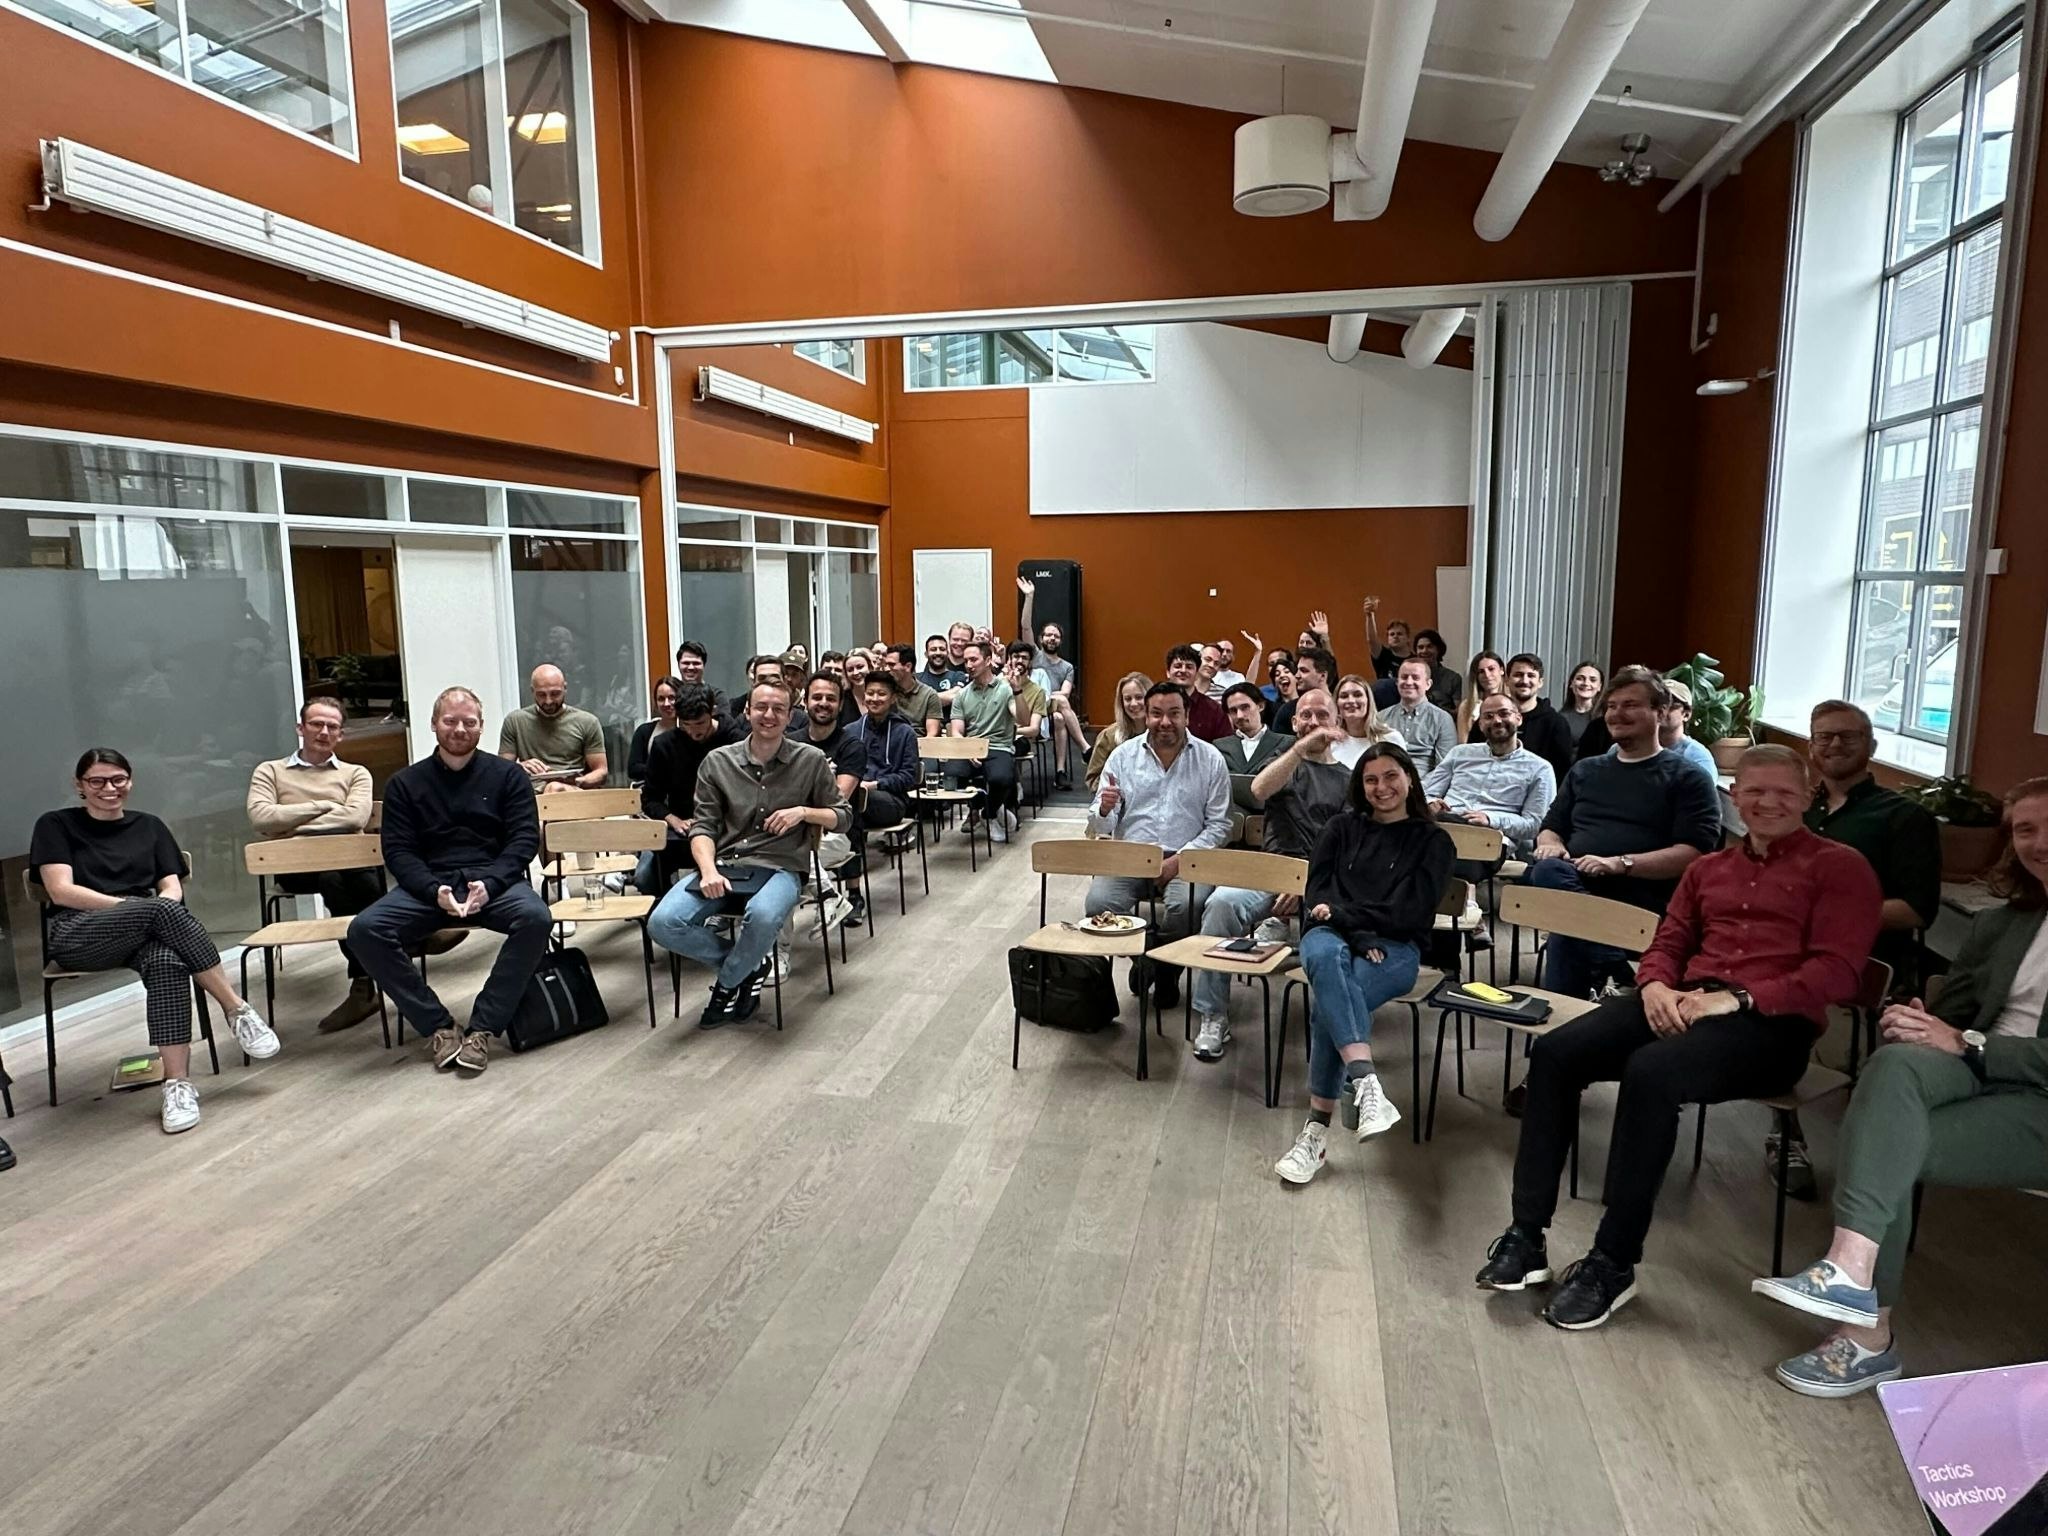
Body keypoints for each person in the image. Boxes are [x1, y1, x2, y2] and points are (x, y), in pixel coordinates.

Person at [1474, 745, 1882, 1329]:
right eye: (1755, 791)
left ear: (1809, 796)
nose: (1768, 802)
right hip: (1684, 1001)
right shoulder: (1708, 868)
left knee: (1652, 1072)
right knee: (1558, 1053)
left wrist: (1736, 998)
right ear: (1734, 798)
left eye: (1784, 792)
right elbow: (1670, 940)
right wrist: (1655, 986)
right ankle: (1527, 1234)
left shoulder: (1841, 867)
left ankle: (1613, 1262)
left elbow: (1838, 971)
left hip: (1773, 1026)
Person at [1751, 777, 2048, 1396]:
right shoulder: (2006, 923)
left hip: (2035, 1100)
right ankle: (1853, 1273)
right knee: (1891, 1068)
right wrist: (1917, 1020)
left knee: (1887, 1142)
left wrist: (1969, 1043)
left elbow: (1968, 1039)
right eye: (2025, 829)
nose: (2038, 843)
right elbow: (1957, 1014)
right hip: (1976, 1073)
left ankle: (1866, 1334)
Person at [32, 749, 281, 1134]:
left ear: (130, 781)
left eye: (118, 779)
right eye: (97, 781)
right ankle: (235, 1007)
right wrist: (132, 909)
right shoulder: (56, 824)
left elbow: (171, 887)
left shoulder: (150, 826)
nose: (108, 788)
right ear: (79, 785)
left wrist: (147, 913)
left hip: (144, 933)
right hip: (78, 932)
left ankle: (177, 1084)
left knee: (168, 961)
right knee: (157, 911)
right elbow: (60, 891)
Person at [1767, 699, 1944, 1199]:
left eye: (1848, 736)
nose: (1834, 745)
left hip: (1867, 960)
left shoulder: (1904, 816)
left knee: (1781, 999)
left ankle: (1863, 1154)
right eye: (1823, 736)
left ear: (1872, 746)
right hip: (1790, 950)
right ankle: (1784, 1132)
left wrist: (1823, 920)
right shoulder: (1800, 810)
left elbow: (1915, 909)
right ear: (1811, 747)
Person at [1273, 744, 1456, 1183]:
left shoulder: (1433, 841)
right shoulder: (1340, 828)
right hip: (1335, 937)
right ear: (1360, 785)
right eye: (1371, 779)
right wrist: (1354, 931)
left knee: (1326, 1007)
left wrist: (1346, 918)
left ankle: (1315, 1133)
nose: (1382, 787)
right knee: (1320, 951)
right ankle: (1367, 1083)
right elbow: (1317, 898)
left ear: (1410, 778)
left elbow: (1409, 914)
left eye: (1391, 776)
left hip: (1396, 949)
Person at [349, 687, 551, 1077]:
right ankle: (437, 1025)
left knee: (536, 918)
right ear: (433, 724)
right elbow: (399, 851)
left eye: (469, 722)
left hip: (494, 882)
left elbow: (523, 840)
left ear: (481, 727)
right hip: (429, 886)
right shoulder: (405, 783)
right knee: (365, 930)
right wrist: (434, 892)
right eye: (450, 721)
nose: (459, 729)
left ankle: (483, 1028)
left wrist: (490, 884)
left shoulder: (508, 777)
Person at [649, 677, 850, 1027]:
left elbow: (843, 816)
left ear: (790, 716)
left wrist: (803, 812)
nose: (768, 715)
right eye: (761, 707)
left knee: (761, 914)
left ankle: (726, 986)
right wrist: (708, 870)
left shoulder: (810, 759)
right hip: (727, 864)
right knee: (663, 922)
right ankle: (750, 966)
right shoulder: (718, 761)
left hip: (783, 866)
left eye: (778, 709)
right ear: (747, 712)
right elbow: (703, 827)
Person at [1527, 665, 1722, 1000]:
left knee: (1567, 933)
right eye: (1612, 706)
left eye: (1630, 705)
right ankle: (1615, 963)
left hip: (1643, 900)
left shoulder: (1688, 777)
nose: (1617, 713)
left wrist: (1620, 863)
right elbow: (1551, 828)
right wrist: (1551, 845)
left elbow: (1694, 852)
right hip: (1578, 884)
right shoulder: (1587, 770)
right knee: (1547, 872)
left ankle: (1598, 977)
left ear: (1660, 712)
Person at [1191, 687, 1345, 1061]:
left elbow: (1347, 850)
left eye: (1321, 715)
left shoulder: (1349, 778)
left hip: (1320, 882)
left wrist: (1305, 883)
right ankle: (1213, 1015)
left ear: (1337, 722)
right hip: (1270, 873)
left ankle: (1331, 1022)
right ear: (1293, 723)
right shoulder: (1284, 761)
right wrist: (1298, 749)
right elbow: (1259, 789)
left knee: (1334, 935)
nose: (1313, 722)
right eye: (1304, 716)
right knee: (1221, 904)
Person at [1087, 682, 1232, 1012]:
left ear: (1187, 716)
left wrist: (1177, 862)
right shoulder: (1122, 756)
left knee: (1187, 907)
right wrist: (1105, 809)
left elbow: (1220, 825)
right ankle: (1150, 956)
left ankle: (1166, 972)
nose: (1164, 722)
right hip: (1132, 855)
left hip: (1189, 857)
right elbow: (1100, 825)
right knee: (1099, 904)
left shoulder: (1210, 759)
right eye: (1156, 714)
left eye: (1173, 714)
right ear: (1145, 715)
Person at [245, 697, 385, 1034]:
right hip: (296, 869)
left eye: (332, 727)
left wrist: (290, 826)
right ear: (300, 728)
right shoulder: (270, 771)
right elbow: (260, 817)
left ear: (341, 735)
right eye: (316, 724)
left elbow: (355, 817)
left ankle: (365, 984)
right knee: (336, 876)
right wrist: (324, 806)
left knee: (342, 875)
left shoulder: (355, 773)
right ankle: (396, 943)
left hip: (348, 863)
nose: (324, 731)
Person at [639, 683, 743, 893]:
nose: (694, 732)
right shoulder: (665, 745)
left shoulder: (735, 739)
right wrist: (673, 819)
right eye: (686, 724)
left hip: (728, 828)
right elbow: (650, 799)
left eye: (700, 723)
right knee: (644, 878)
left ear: (712, 711)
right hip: (682, 828)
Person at [1426, 691, 1558, 855]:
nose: (1496, 721)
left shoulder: (1540, 769)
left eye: (1504, 713)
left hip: (1489, 839)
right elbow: (1426, 792)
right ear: (1480, 724)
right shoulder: (1459, 753)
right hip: (1445, 825)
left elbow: (1535, 825)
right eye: (1488, 716)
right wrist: (1431, 803)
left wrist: (1490, 820)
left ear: (1519, 718)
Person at [799, 672, 865, 926]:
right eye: (817, 697)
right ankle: (829, 895)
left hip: (837, 833)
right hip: (794, 831)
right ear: (805, 702)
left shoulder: (852, 746)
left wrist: (800, 806)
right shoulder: (791, 743)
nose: (823, 703)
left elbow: (837, 800)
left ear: (840, 705)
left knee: (781, 862)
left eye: (830, 698)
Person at [1015, 577, 1089, 788]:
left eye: (1055, 636)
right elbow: (1025, 625)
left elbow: (1064, 693)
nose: (1051, 638)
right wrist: (1029, 597)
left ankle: (1060, 771)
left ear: (1060, 641)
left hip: (1052, 707)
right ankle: (1084, 748)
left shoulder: (1066, 667)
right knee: (1058, 708)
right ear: (1041, 639)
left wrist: (1051, 698)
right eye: (1047, 635)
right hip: (1031, 704)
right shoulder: (1035, 656)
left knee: (1058, 715)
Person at [948, 639, 1020, 841]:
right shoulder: (962, 695)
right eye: (966, 661)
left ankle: (988, 813)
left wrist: (1018, 691)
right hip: (971, 747)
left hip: (999, 746)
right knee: (952, 776)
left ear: (988, 660)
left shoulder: (1005, 688)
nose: (969, 665)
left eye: (973, 660)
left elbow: (1022, 719)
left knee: (1001, 778)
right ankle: (986, 805)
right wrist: (967, 749)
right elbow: (956, 731)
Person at [499, 663, 608, 792]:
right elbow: (501, 770)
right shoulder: (515, 721)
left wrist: (578, 781)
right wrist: (520, 766)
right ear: (532, 691)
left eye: (555, 694)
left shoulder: (587, 722)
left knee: (554, 788)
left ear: (565, 688)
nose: (548, 701)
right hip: (530, 791)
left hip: (571, 790)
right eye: (541, 695)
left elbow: (601, 771)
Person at [1214, 682, 1291, 843]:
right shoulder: (1219, 746)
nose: (1240, 715)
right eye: (1233, 711)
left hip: (1273, 830)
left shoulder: (1287, 743)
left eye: (1245, 707)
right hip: (1229, 831)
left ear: (1261, 706)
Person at [856, 671, 922, 830]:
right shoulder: (852, 730)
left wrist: (875, 785)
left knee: (859, 797)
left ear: (893, 698)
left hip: (892, 800)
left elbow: (909, 776)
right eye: (870, 693)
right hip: (854, 794)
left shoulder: (905, 732)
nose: (875, 699)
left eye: (881, 694)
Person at [1384, 657, 1457, 775]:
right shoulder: (1381, 717)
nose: (1408, 682)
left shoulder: (1443, 719)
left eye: (1415, 678)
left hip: (1424, 786)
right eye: (1404, 677)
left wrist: (1421, 789)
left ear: (1428, 684)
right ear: (1397, 682)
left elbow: (1444, 768)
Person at [1085, 672, 1151, 793]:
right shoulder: (1108, 737)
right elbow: (1093, 779)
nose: (1133, 704)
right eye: (1127, 699)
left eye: (1139, 697)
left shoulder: (1162, 734)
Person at [1331, 673, 1404, 768]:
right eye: (1344, 696)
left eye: (1357, 695)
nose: (1351, 700)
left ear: (1368, 700)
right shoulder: (1330, 743)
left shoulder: (1391, 738)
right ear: (1336, 703)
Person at [1653, 680, 1719, 784]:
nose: (1662, 710)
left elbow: (1703, 797)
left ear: (1686, 714)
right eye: (1657, 704)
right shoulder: (1632, 749)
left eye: (1671, 705)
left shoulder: (1697, 757)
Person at [1163, 644, 1231, 741]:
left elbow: (1226, 746)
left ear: (1196, 672)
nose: (1183, 670)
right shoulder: (1155, 704)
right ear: (1168, 672)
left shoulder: (1214, 710)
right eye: (1178, 666)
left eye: (1189, 667)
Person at [626, 675, 681, 785]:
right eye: (661, 699)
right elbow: (633, 769)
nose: (666, 704)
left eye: (671, 698)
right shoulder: (644, 731)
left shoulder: (691, 730)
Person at [884, 643, 946, 736]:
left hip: (919, 744)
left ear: (908, 666)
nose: (886, 669)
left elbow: (932, 734)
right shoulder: (885, 691)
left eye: (891, 665)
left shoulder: (929, 695)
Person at [1275, 647, 1338, 737]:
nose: (1297, 676)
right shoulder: (1286, 711)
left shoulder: (1342, 707)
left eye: (1304, 671)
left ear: (1323, 676)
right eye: (1306, 715)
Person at [1455, 650, 1505, 741]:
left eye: (1491, 669)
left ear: (1501, 670)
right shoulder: (1467, 706)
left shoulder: (1513, 701)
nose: (1487, 675)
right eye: (1481, 671)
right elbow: (1463, 743)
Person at [1410, 630, 1463, 712]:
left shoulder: (1453, 678)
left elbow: (1459, 712)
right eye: (1420, 647)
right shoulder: (1409, 677)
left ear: (1438, 649)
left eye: (1429, 646)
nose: (1424, 651)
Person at [1363, 595, 1412, 681]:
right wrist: (1370, 615)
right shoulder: (1383, 656)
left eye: (1399, 634)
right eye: (1392, 634)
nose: (1395, 636)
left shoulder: (1416, 660)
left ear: (1408, 638)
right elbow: (1372, 640)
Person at [1560, 661, 1603, 746]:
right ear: (1571, 683)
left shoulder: (1606, 717)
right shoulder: (1560, 718)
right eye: (1580, 678)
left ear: (1599, 686)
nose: (1586, 683)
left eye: (1593, 680)